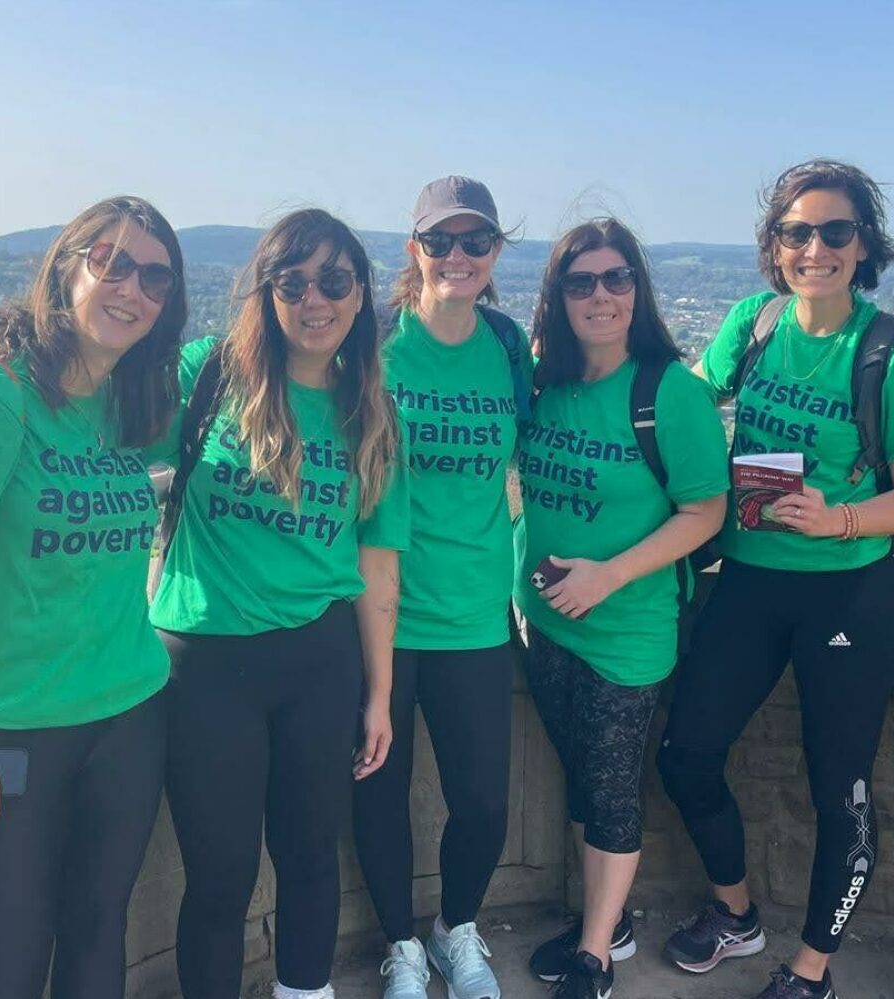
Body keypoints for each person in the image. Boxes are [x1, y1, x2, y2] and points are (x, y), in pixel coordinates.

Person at [656, 160, 894, 999]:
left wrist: (842, 518)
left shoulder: (890, 352)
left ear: (864, 247)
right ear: (774, 245)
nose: (814, 247)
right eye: (796, 231)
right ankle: (736, 912)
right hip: (748, 577)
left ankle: (813, 966)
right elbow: (691, 402)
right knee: (686, 754)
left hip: (846, 591)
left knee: (839, 788)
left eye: (835, 232)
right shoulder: (753, 322)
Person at [0, 195, 184, 998]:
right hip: (11, 727)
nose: (132, 288)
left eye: (155, 277)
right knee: (2, 967)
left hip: (127, 715)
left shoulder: (129, 403)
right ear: (66, 266)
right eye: (112, 262)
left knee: (97, 941)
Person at [151, 208, 410, 999]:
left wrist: (380, 695)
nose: (314, 300)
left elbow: (377, 566)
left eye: (334, 281)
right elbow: (97, 416)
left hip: (318, 660)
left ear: (362, 294)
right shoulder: (207, 375)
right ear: (266, 292)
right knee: (220, 876)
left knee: (308, 858)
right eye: (292, 282)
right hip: (206, 658)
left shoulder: (369, 406)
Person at [515, 218, 730, 999]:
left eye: (616, 278)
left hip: (628, 628)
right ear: (558, 297)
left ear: (637, 289)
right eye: (581, 282)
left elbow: (706, 509)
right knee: (580, 780)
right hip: (544, 622)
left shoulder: (669, 391)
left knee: (608, 791)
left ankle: (598, 954)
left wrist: (609, 575)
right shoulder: (544, 381)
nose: (600, 295)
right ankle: (603, 925)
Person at [351, 176, 524, 999]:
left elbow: (543, 457)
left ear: (495, 252)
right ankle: (401, 947)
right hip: (377, 620)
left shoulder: (507, 346)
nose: (458, 256)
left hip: (475, 618)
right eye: (440, 241)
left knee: (485, 802)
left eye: (475, 241)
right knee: (378, 797)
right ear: (414, 250)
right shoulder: (372, 344)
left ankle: (457, 928)